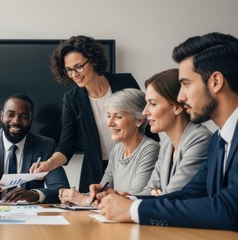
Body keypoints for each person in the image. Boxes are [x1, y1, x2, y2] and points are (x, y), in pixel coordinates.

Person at [94, 32, 238, 231]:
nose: (180, 96)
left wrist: (134, 209)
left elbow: (229, 208)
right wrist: (131, 200)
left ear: (216, 81)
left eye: (186, 84)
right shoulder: (218, 140)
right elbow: (189, 194)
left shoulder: (207, 139)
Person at [30, 35, 158, 192]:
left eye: (79, 66)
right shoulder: (72, 99)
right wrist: (48, 164)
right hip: (95, 171)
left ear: (93, 60)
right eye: (69, 70)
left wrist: (158, 155)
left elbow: (145, 117)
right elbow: (67, 144)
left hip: (136, 162)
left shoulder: (124, 82)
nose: (74, 74)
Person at [59, 89, 159, 206]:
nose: (109, 123)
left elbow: (134, 196)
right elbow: (102, 191)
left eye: (118, 117)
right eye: (108, 116)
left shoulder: (150, 149)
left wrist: (84, 200)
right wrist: (74, 196)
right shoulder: (117, 150)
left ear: (139, 120)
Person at [139, 69, 212, 196]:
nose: (145, 112)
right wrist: (126, 198)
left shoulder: (200, 138)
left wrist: (158, 196)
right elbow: (150, 188)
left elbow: (173, 195)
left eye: (153, 104)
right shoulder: (167, 143)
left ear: (177, 107)